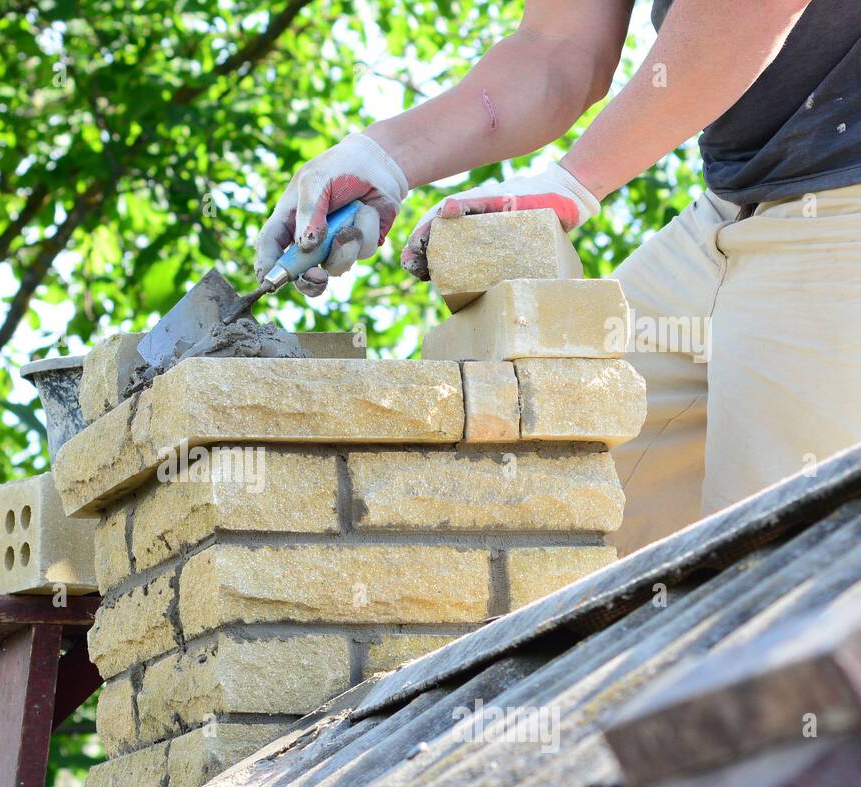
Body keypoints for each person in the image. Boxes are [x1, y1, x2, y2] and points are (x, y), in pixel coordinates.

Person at [256, 0, 861, 554]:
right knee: (544, 514)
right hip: (732, 208)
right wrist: (383, 156)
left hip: (842, 206)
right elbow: (559, 49)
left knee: (776, 578)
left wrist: (577, 182)